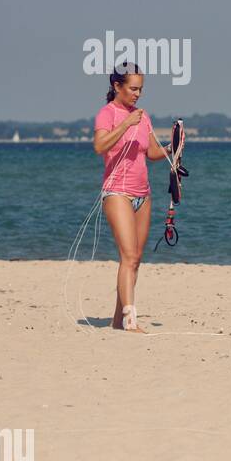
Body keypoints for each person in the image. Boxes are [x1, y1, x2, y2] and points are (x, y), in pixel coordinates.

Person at [91, 63, 171, 332]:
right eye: (133, 89)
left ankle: (117, 320)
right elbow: (99, 146)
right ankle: (130, 320)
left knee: (135, 258)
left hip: (143, 195)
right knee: (127, 255)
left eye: (141, 89)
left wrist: (174, 146)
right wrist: (125, 123)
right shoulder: (107, 114)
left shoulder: (142, 116)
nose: (138, 94)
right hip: (117, 193)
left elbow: (152, 152)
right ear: (117, 86)